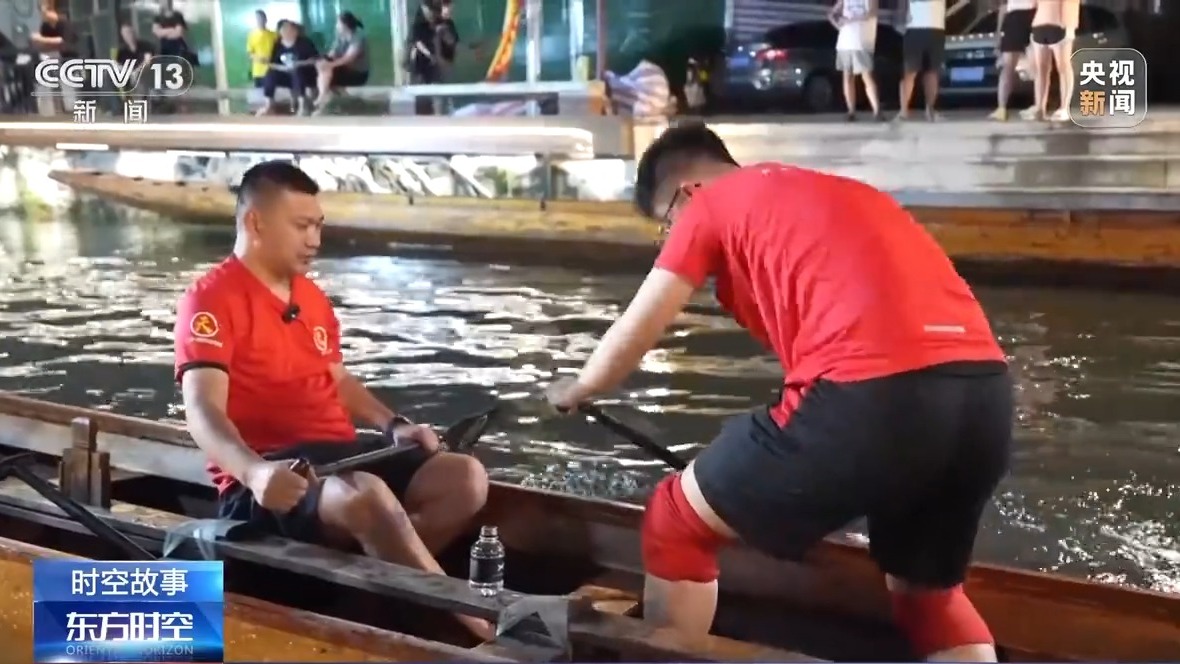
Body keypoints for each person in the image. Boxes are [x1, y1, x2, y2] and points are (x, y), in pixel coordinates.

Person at [546, 124, 1012, 662]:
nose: (671, 235)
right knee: (928, 594)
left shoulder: (708, 203)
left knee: (674, 520)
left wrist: (580, 386)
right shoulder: (842, 192)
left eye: (666, 225)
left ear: (682, 193)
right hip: (986, 400)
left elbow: (639, 324)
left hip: (874, 399)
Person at [174, 161, 492, 640]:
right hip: (272, 475)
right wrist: (254, 472)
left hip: (340, 455)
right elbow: (202, 409)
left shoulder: (312, 297)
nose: (314, 240)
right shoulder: (210, 298)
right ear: (256, 223)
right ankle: (475, 629)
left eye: (318, 226)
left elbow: (337, 381)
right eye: (301, 226)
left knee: (464, 477)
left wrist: (393, 425)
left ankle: (366, 600)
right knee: (365, 495)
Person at [897, 0, 969, 121]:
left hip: (936, 29)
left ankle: (930, 110)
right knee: (910, 71)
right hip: (914, 27)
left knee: (932, 72)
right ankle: (903, 112)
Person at [1024, 0, 1079, 122]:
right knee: (1041, 69)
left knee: (1063, 67)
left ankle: (1064, 108)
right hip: (1039, 25)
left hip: (1059, 24)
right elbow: (1032, 4)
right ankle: (1040, 107)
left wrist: (1070, 27)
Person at [830, 0, 882, 122]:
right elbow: (832, 14)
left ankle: (877, 110)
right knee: (847, 76)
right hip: (845, 42)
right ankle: (851, 111)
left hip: (862, 42)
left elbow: (872, 13)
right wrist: (838, 25)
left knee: (867, 75)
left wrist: (850, 20)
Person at [257, 20, 319, 116]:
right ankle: (268, 105)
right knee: (270, 74)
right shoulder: (277, 44)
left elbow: (315, 60)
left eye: (290, 29)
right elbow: (272, 63)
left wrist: (299, 63)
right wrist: (282, 68)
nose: (287, 32)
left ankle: (302, 106)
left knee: (297, 72)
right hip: (284, 73)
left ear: (295, 31)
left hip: (303, 73)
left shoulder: (304, 43)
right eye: (284, 30)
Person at [312, 11, 369, 113]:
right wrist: (323, 61)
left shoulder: (357, 37)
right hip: (344, 69)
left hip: (357, 73)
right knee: (324, 67)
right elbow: (332, 53)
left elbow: (349, 58)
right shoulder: (340, 37)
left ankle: (323, 96)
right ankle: (330, 97)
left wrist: (329, 65)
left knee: (327, 69)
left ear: (345, 25)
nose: (336, 26)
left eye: (338, 23)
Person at [987, 0, 1036, 121]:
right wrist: (998, 34)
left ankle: (1039, 106)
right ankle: (1001, 108)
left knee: (1036, 65)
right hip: (1015, 17)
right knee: (1008, 66)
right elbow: (1003, 7)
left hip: (1035, 14)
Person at [246, 9, 278, 88]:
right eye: (258, 18)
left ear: (266, 19)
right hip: (258, 71)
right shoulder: (252, 35)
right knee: (259, 93)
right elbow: (250, 54)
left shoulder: (274, 35)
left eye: (262, 18)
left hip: (272, 69)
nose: (260, 20)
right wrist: (259, 59)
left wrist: (271, 58)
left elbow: (279, 52)